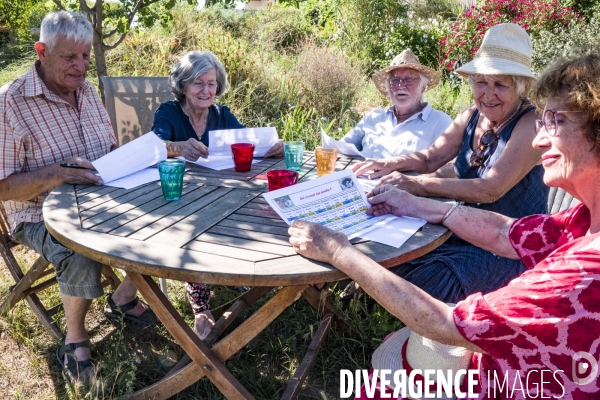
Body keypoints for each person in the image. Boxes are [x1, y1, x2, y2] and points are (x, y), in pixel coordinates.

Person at [289, 51, 600, 398]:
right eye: (481, 81)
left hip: (506, 379)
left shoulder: (582, 270)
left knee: (412, 280)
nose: (541, 140)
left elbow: (446, 325)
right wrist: (418, 202)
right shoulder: (580, 223)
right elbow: (502, 230)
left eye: (556, 122)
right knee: (397, 254)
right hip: (492, 320)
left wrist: (336, 248)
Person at [0, 11, 158, 382]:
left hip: (100, 198)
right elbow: (3, 186)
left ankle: (121, 300)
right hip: (38, 215)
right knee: (78, 250)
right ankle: (75, 340)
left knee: (167, 212)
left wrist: (126, 158)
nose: (81, 66)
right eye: (70, 57)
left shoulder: (86, 91)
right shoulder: (9, 103)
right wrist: (56, 173)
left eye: (86, 56)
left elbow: (105, 147)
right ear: (41, 51)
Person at [350, 23, 548, 303]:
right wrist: (390, 163)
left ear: (521, 87)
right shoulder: (472, 115)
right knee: (388, 251)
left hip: (506, 245)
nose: (488, 94)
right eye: (481, 82)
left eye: (500, 84)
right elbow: (431, 157)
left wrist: (417, 185)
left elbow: (491, 189)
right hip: (461, 228)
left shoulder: (531, 124)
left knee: (425, 281)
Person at [152, 51, 283, 340]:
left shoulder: (222, 115)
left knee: (249, 207)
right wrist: (177, 147)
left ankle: (233, 272)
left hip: (222, 193)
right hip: (179, 199)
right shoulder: (169, 112)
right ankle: (200, 305)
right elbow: (155, 145)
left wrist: (274, 146)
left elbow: (249, 142)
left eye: (212, 83)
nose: (206, 90)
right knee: (196, 224)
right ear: (183, 85)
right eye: (199, 83)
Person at [341, 49, 452, 159]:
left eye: (408, 79)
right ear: (389, 88)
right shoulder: (374, 117)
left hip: (404, 177)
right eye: (395, 80)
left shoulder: (440, 122)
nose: (401, 86)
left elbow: (450, 166)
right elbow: (339, 148)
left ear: (422, 87)